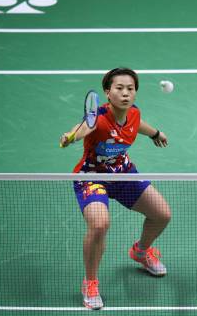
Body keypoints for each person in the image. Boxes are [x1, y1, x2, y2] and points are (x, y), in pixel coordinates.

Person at [60, 67, 171, 310]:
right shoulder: (98, 118)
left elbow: (137, 123)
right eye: (119, 88)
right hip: (92, 177)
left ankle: (141, 252)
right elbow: (84, 128)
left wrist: (156, 133)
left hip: (123, 174)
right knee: (99, 224)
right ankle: (90, 282)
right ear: (107, 93)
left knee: (162, 214)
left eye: (130, 89)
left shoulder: (133, 113)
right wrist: (70, 136)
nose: (125, 93)